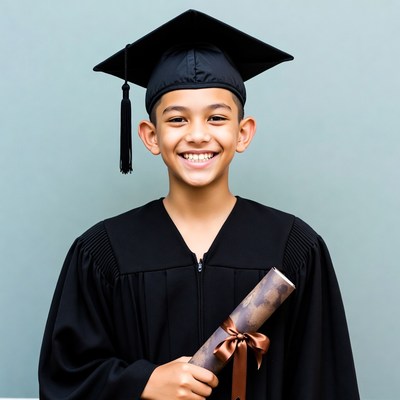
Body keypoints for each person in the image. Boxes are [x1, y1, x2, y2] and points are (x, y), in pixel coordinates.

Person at [38, 9, 360, 400]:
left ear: (243, 133)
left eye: (217, 117)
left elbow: (325, 383)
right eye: (176, 120)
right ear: (149, 136)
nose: (197, 135)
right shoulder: (103, 253)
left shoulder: (294, 247)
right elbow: (63, 379)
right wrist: (140, 382)